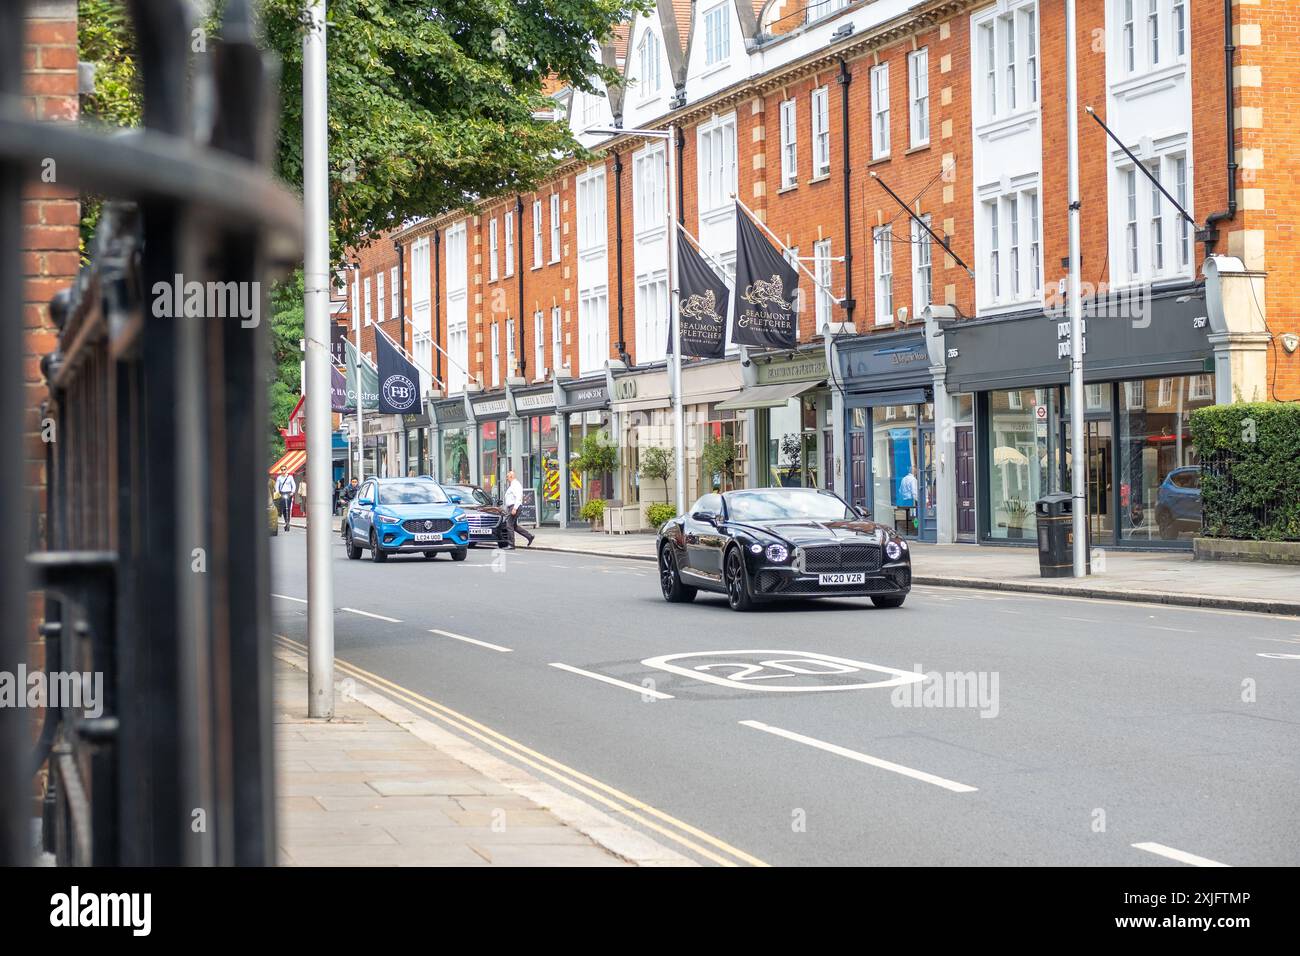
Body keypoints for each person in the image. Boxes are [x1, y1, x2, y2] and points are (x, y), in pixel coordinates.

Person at [502, 469, 534, 549]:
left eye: (507, 476)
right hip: (512, 507)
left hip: (514, 507)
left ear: (511, 476)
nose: (506, 478)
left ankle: (511, 544)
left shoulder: (516, 485)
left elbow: (519, 497)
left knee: (509, 525)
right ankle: (529, 536)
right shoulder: (513, 485)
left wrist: (514, 508)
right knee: (514, 526)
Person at [274, 466, 297, 531]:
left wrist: (292, 492)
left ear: (286, 470)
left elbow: (294, 485)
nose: (283, 471)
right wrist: (278, 493)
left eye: (284, 469)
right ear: (281, 470)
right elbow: (277, 486)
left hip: (289, 493)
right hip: (282, 493)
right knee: (284, 508)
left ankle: (288, 522)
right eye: (282, 470)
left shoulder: (290, 477)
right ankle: (285, 521)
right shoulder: (279, 478)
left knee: (288, 508)